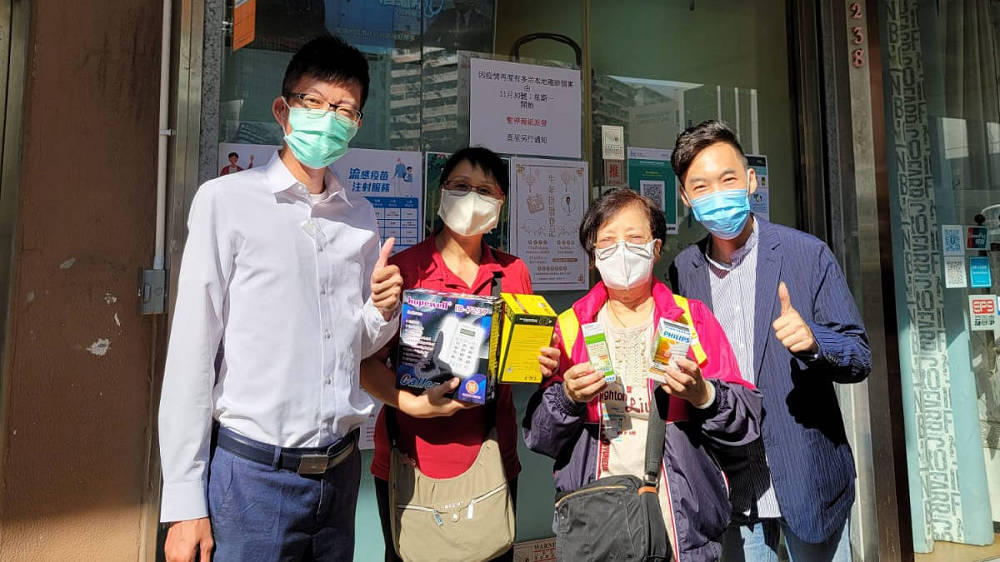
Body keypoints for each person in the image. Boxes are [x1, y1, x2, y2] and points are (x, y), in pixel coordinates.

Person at [158, 35, 403, 562]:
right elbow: (192, 354)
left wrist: (382, 310)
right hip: (251, 478)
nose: (329, 119)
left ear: (356, 125)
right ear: (283, 110)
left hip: (340, 477)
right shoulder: (227, 201)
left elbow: (354, 346)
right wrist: (183, 501)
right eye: (315, 102)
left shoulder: (359, 216)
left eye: (344, 110)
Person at [667, 120, 872, 562]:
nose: (716, 194)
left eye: (727, 180)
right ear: (685, 198)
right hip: (730, 486)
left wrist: (814, 341)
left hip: (808, 477)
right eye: (700, 186)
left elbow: (859, 355)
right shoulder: (684, 270)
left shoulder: (807, 254)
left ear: (750, 181)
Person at [523, 187, 763, 561]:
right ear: (594, 256)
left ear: (655, 248)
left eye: (634, 239)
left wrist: (703, 395)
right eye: (607, 242)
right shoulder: (569, 328)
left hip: (681, 523)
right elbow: (540, 437)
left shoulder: (691, 320)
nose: (621, 250)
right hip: (599, 523)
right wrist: (568, 399)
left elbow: (745, 421)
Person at [360, 147, 561, 562]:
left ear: (501, 203)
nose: (472, 198)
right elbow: (366, 366)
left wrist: (542, 363)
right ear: (442, 193)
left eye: (485, 190)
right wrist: (413, 404)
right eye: (461, 186)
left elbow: (526, 359)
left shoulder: (514, 272)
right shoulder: (405, 270)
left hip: (491, 456)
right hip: (409, 458)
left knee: (493, 553)